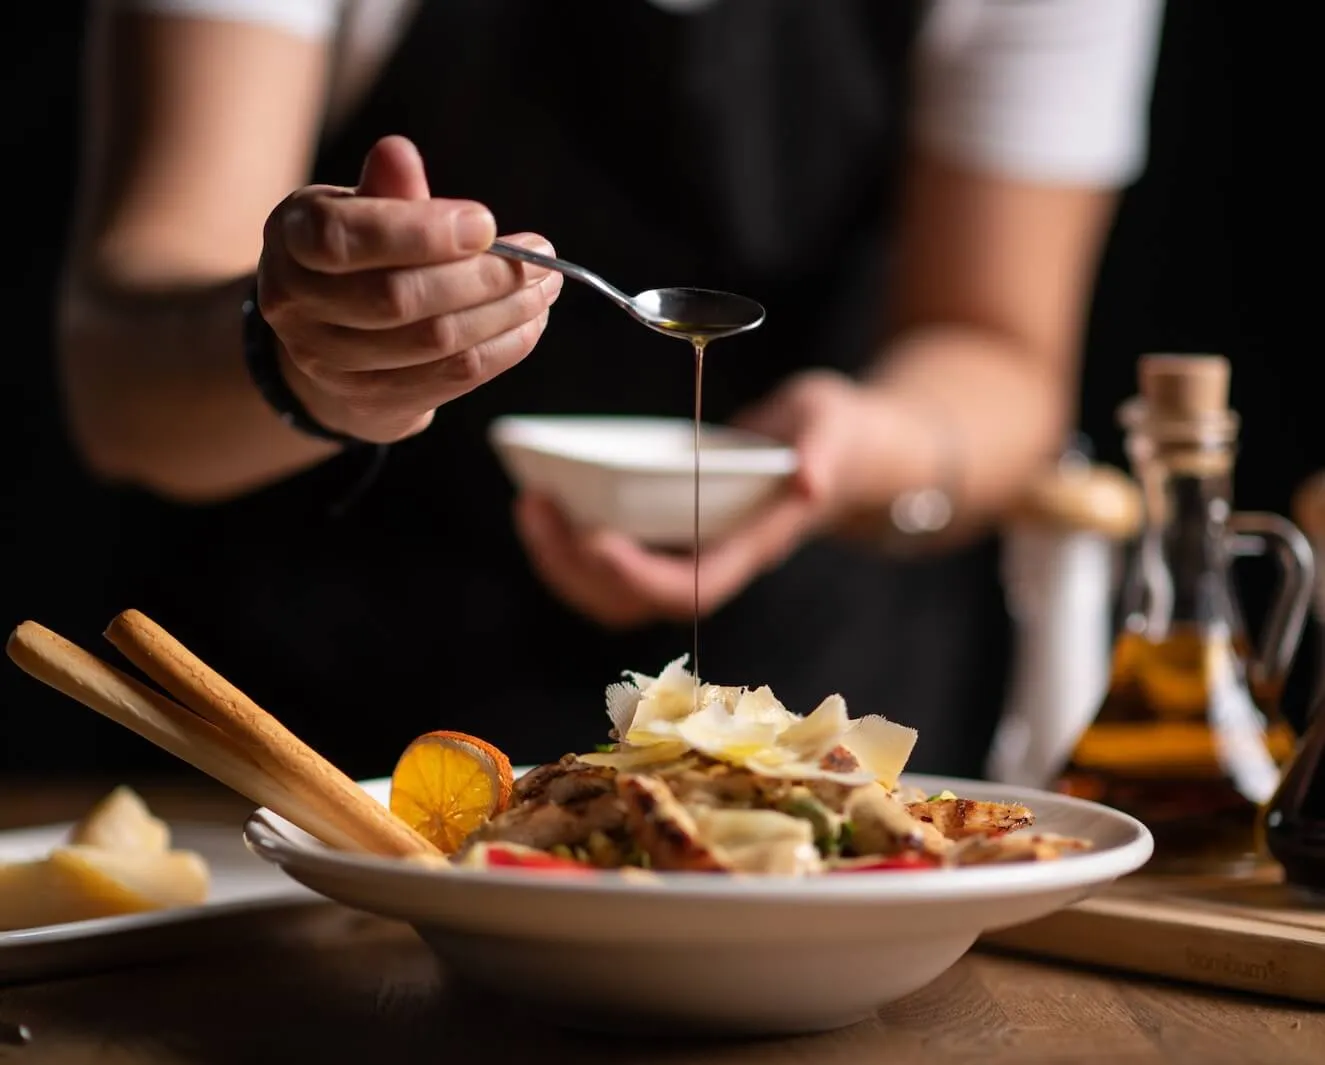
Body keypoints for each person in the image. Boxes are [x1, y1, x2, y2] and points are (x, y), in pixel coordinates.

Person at [54, 0, 1165, 777]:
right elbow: (119, 385)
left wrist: (859, 449)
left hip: (821, 737)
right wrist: (302, 352)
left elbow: (999, 353)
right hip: (323, 763)